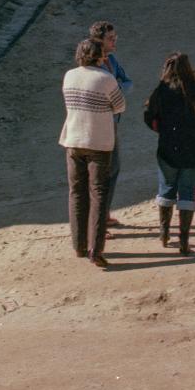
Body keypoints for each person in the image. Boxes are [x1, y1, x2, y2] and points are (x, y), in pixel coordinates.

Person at [60, 36, 124, 268]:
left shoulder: (69, 75)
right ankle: (95, 250)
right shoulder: (105, 78)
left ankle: (78, 244)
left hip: (73, 140)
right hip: (98, 142)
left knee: (76, 193)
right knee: (98, 194)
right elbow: (120, 105)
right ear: (99, 57)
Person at [143, 52, 195, 256]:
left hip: (168, 148)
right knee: (187, 191)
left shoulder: (161, 91)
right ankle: (184, 241)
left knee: (167, 188)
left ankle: (164, 234)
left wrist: (163, 130)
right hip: (193, 148)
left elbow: (149, 116)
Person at [90, 19, 130, 229]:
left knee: (113, 168)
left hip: (112, 122)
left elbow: (127, 81)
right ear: (99, 40)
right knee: (100, 173)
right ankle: (97, 222)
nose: (115, 42)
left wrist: (115, 90)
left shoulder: (112, 61)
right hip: (97, 125)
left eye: (115, 38)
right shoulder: (89, 63)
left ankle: (103, 214)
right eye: (111, 38)